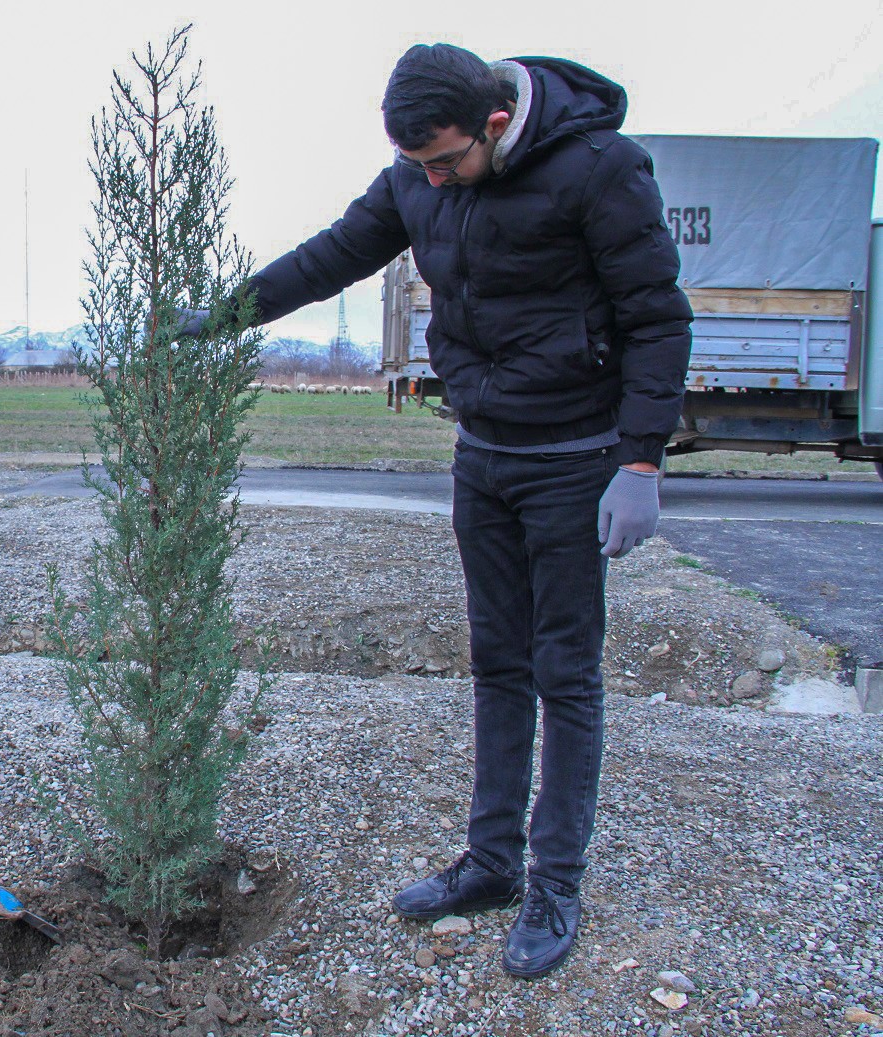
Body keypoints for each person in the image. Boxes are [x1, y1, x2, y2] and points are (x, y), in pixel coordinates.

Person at [192, 45, 691, 978]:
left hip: (576, 458)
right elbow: (333, 255)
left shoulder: (600, 169)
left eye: (447, 160)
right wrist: (225, 312)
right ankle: (493, 862)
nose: (431, 179)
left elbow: (658, 315)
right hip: (485, 456)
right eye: (418, 165)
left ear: (496, 124)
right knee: (498, 662)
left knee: (565, 672)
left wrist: (639, 460)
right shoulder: (418, 176)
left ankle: (555, 881)